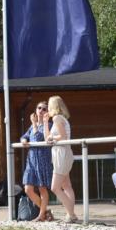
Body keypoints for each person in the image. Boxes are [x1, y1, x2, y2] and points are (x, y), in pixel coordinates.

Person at [46, 95, 79, 223]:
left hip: (61, 153)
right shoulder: (60, 118)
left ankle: (71, 214)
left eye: (49, 105)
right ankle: (71, 214)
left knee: (55, 187)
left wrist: (52, 139)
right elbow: (49, 136)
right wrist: (45, 123)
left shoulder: (57, 118)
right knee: (66, 185)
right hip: (63, 153)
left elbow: (63, 136)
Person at [20, 102, 54, 221]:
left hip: (42, 159)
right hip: (31, 160)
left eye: (44, 109)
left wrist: (34, 124)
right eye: (39, 108)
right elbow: (26, 136)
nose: (41, 110)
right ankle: (45, 211)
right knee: (28, 189)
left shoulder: (48, 125)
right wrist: (24, 139)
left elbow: (38, 137)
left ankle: (41, 215)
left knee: (42, 188)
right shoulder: (32, 126)